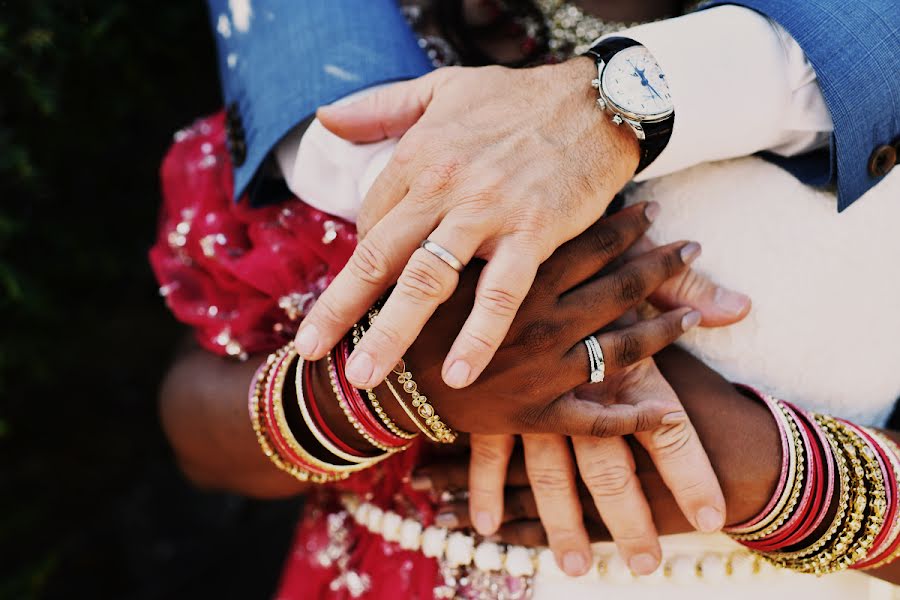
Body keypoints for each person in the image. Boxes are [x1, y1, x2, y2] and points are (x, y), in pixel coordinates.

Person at [153, 1, 900, 597]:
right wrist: (390, 389)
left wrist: (778, 477)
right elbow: (197, 439)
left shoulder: (855, 71)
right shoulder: (337, 98)